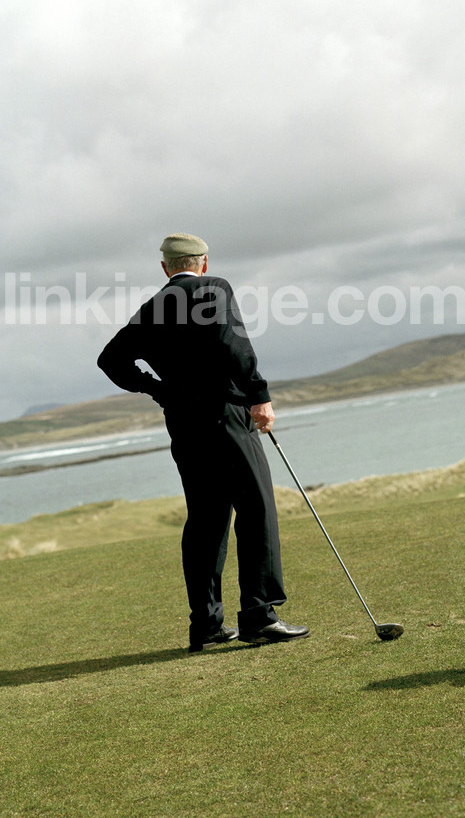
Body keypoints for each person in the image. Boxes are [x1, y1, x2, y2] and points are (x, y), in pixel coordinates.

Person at [97, 232, 309, 652]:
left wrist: (159, 390)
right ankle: (259, 616)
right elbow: (233, 343)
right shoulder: (214, 288)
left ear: (165, 268)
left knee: (206, 520)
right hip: (226, 416)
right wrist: (259, 394)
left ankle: (207, 626)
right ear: (204, 263)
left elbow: (110, 359)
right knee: (256, 509)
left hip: (183, 423)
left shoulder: (153, 306)